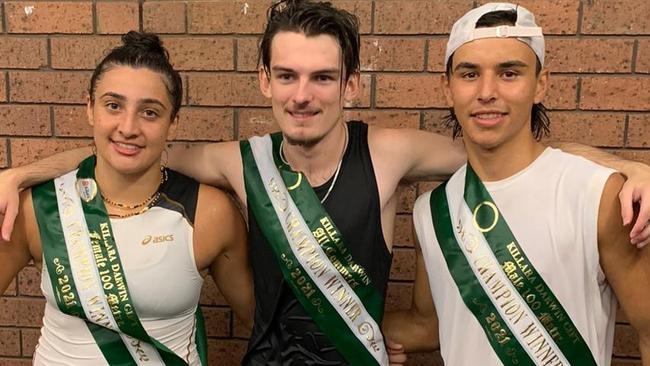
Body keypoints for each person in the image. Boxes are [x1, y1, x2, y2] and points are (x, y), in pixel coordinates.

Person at [0, 1, 649, 365]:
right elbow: (132, 149)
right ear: (265, 81)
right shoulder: (238, 162)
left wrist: (627, 170)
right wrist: (24, 173)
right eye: (287, 76)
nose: (302, 95)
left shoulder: (392, 152)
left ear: (350, 85)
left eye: (320, 77)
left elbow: (508, 147)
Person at [383, 3, 650, 365]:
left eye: (509, 73)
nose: (487, 91)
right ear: (447, 89)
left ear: (541, 84)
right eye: (469, 74)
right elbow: (428, 325)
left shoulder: (596, 194)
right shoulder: (430, 212)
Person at [0, 31, 253, 365]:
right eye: (113, 106)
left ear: (172, 123)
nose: (128, 127)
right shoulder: (38, 208)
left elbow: (258, 323)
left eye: (149, 112)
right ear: (90, 108)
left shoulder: (210, 213)